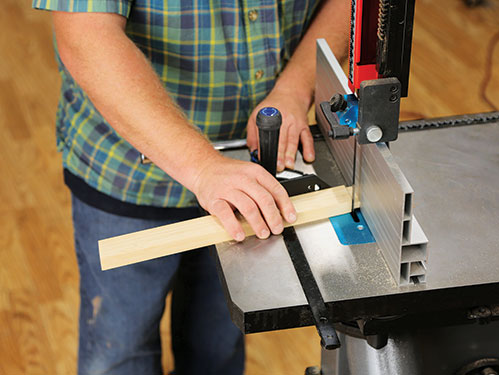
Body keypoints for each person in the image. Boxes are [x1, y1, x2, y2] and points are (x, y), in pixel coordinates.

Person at [33, 0, 349, 374]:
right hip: (127, 173)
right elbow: (86, 36)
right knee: (120, 350)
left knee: (216, 347)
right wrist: (200, 167)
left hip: (250, 171)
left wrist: (296, 87)